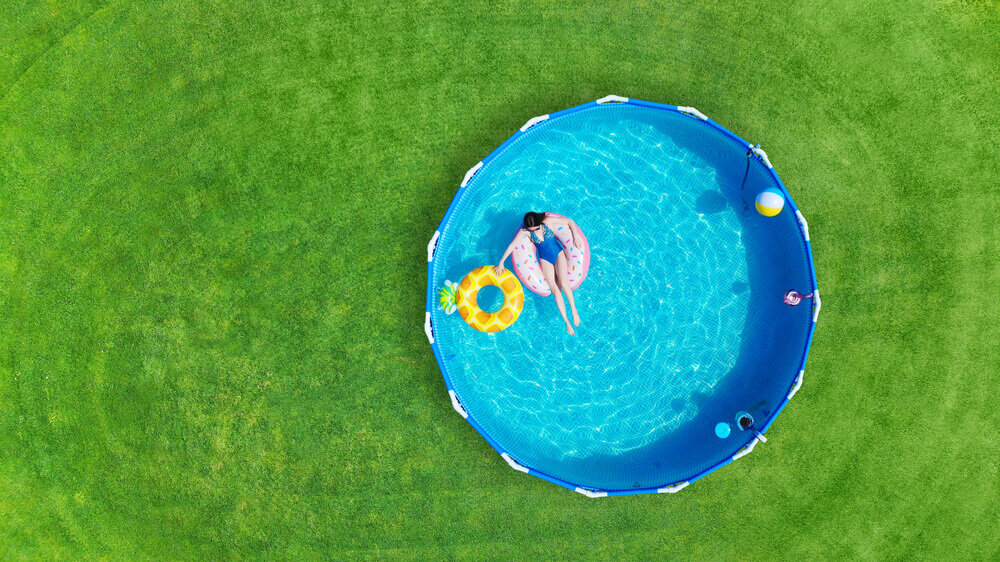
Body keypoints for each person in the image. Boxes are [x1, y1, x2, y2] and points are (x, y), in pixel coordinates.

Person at [494, 212, 583, 335]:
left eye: (536, 228)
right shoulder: (525, 231)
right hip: (545, 259)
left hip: (558, 254)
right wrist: (501, 262)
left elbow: (570, 221)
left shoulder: (547, 221)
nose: (533, 231)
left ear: (539, 222)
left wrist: (575, 236)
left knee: (563, 282)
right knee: (555, 289)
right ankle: (566, 322)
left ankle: (574, 310)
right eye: (531, 229)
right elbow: (513, 245)